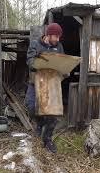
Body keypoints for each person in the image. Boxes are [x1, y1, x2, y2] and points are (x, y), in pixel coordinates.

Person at [25, 23, 64, 153]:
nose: (57, 40)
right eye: (55, 37)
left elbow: (62, 61)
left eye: (59, 37)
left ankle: (47, 139)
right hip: (35, 81)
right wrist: (39, 63)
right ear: (48, 35)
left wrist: (64, 70)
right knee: (31, 105)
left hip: (52, 83)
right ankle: (40, 123)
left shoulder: (59, 47)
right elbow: (29, 61)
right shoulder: (35, 44)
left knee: (53, 113)